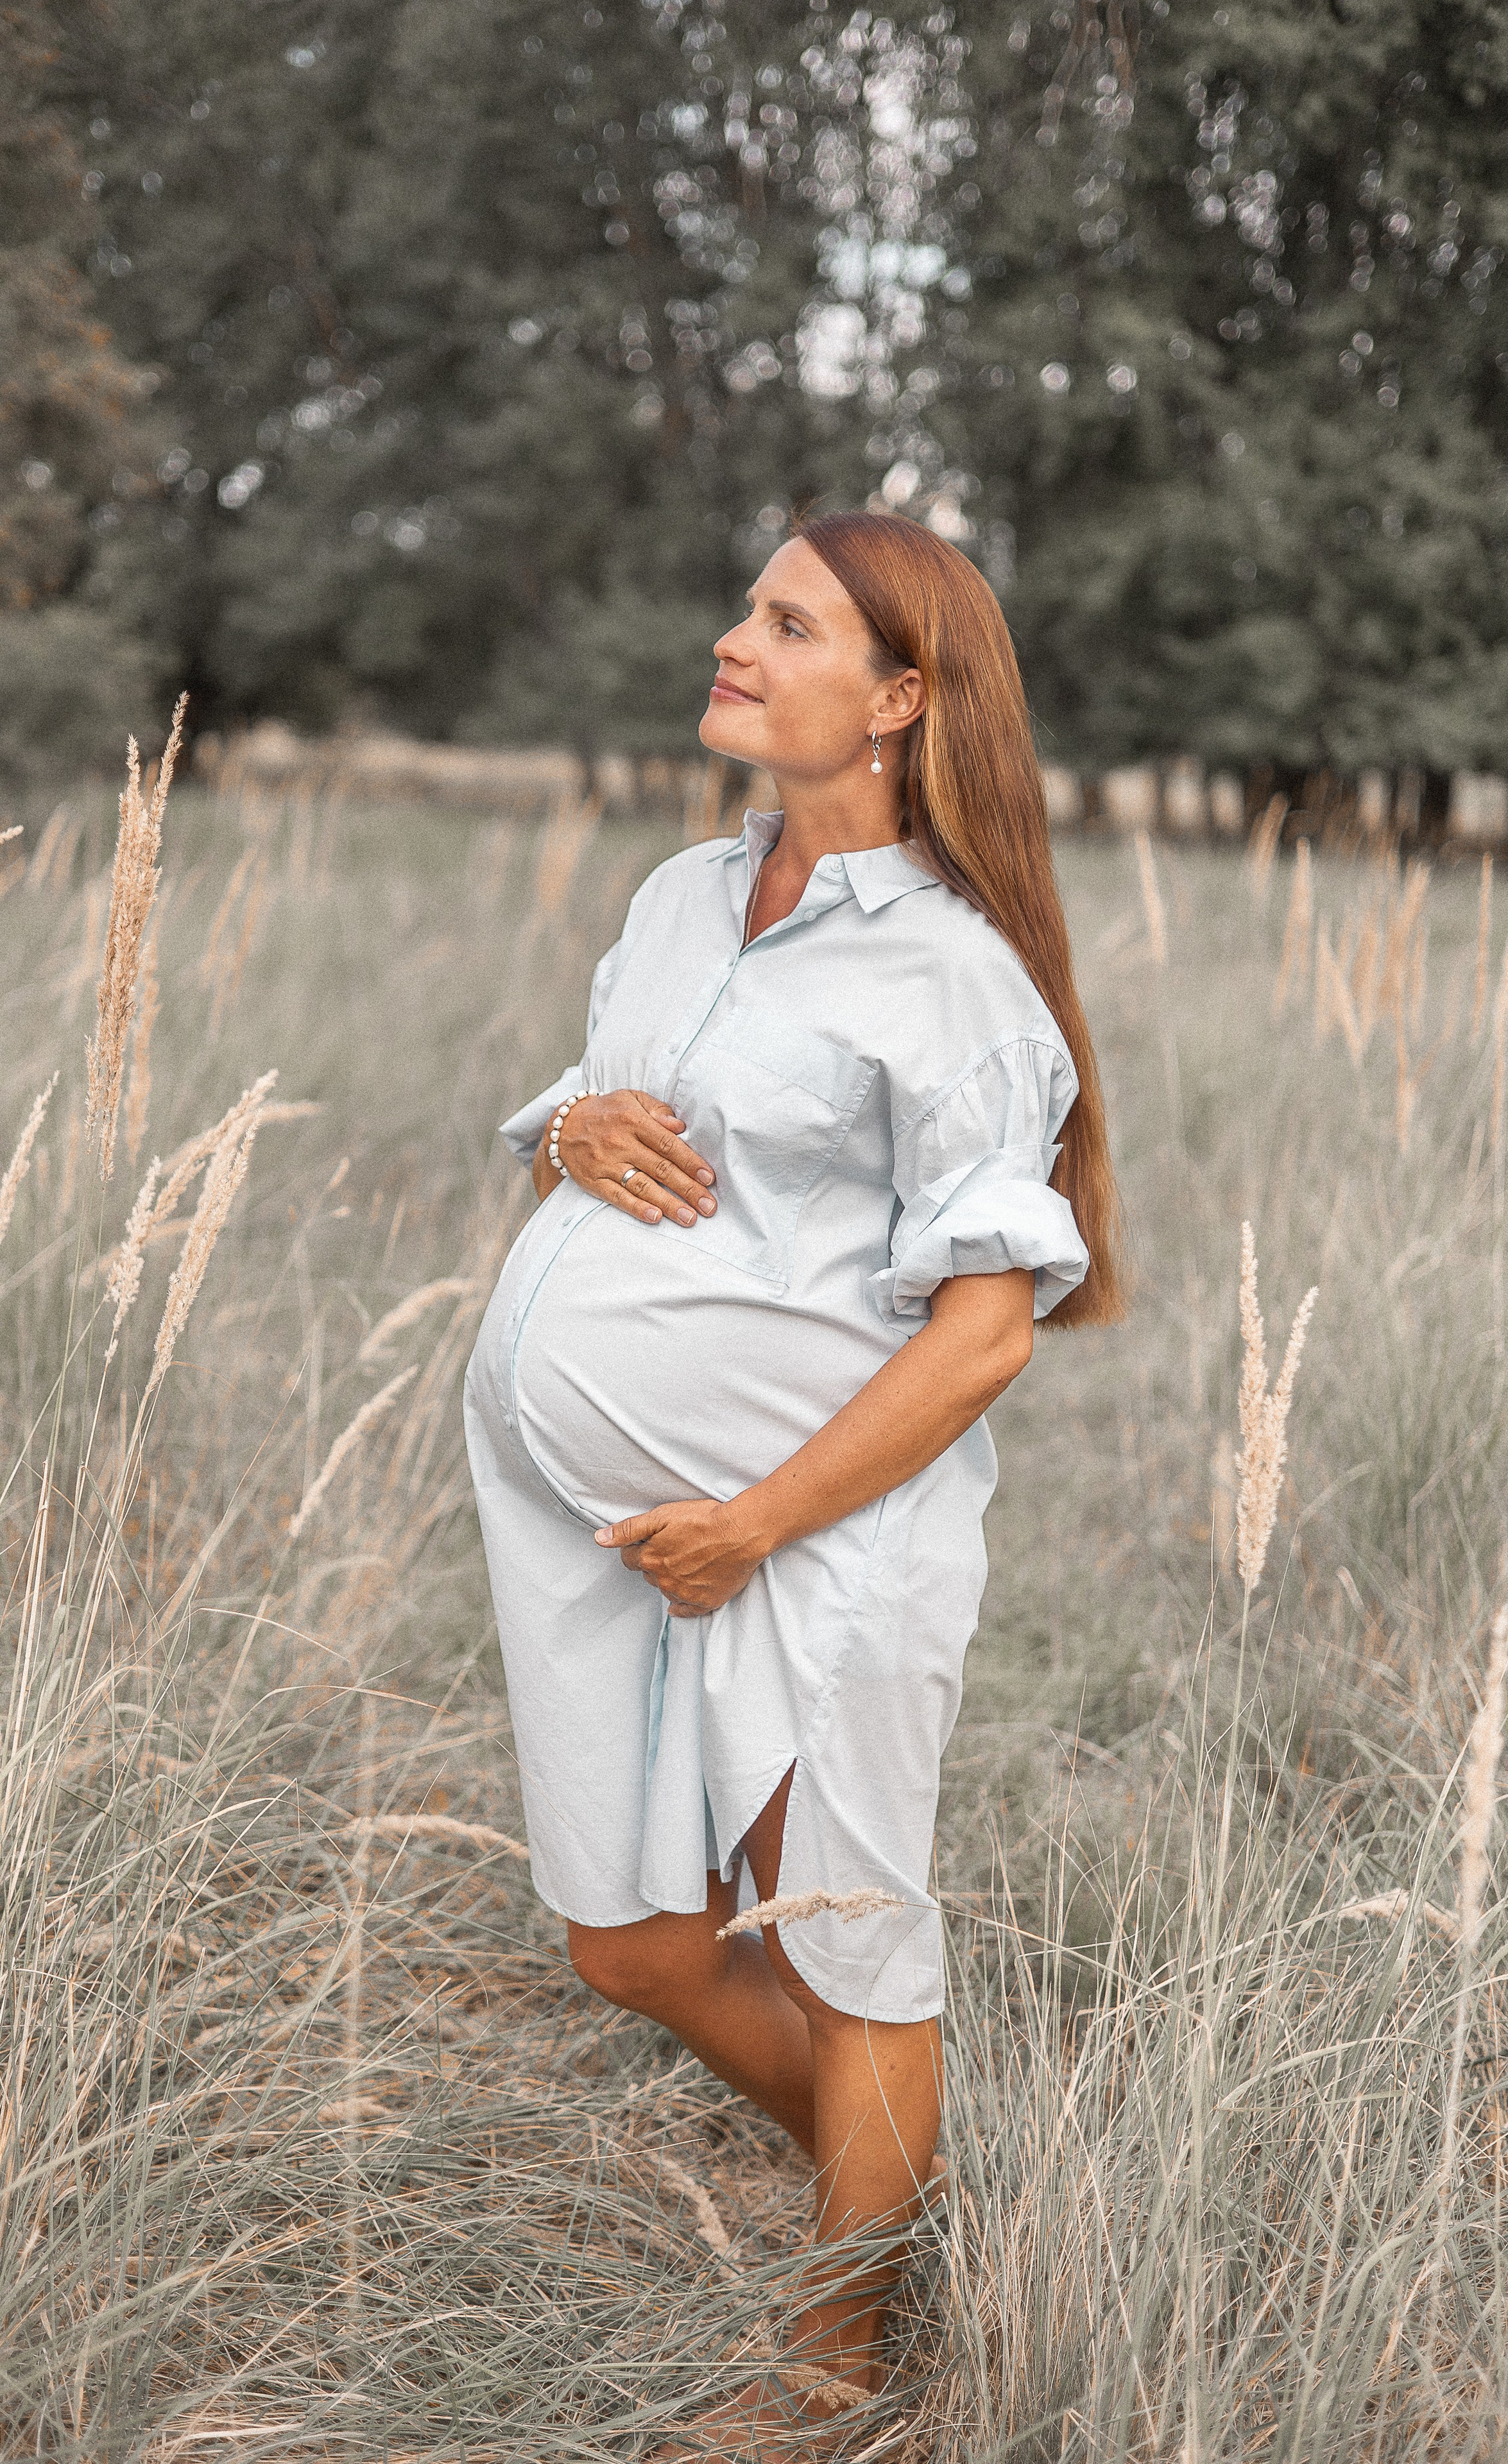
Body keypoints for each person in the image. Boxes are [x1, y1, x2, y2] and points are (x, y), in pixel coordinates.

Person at [463, 509, 1124, 2454]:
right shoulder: (683, 896)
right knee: (632, 1942)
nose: (734, 642)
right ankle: (896, 2184)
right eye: (747, 608)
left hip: (817, 1528)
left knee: (846, 1936)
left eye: (789, 622)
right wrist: (567, 1130)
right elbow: (607, 1147)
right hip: (597, 1522)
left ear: (901, 700)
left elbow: (988, 1332)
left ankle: (836, 2357)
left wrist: (756, 1522)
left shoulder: (955, 980)